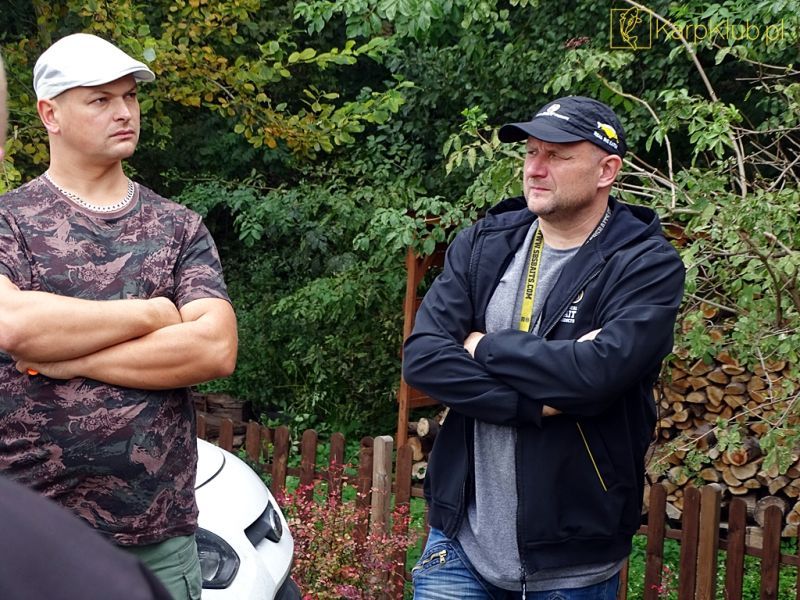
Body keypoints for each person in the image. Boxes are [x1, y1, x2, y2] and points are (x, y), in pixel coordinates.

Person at [403, 96, 685, 599]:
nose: (535, 168)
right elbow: (423, 359)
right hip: (460, 546)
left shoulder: (646, 265)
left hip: (572, 560)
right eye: (531, 152)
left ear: (606, 171)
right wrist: (535, 402)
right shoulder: (484, 244)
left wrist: (482, 347)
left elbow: (597, 374)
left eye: (557, 155)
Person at [0, 34, 238, 600]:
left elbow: (213, 348)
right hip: (26, 541)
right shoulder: (9, 222)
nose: (125, 111)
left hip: (154, 541)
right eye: (100, 100)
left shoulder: (177, 226)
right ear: (50, 114)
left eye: (130, 96)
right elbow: (15, 325)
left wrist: (66, 358)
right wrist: (154, 313)